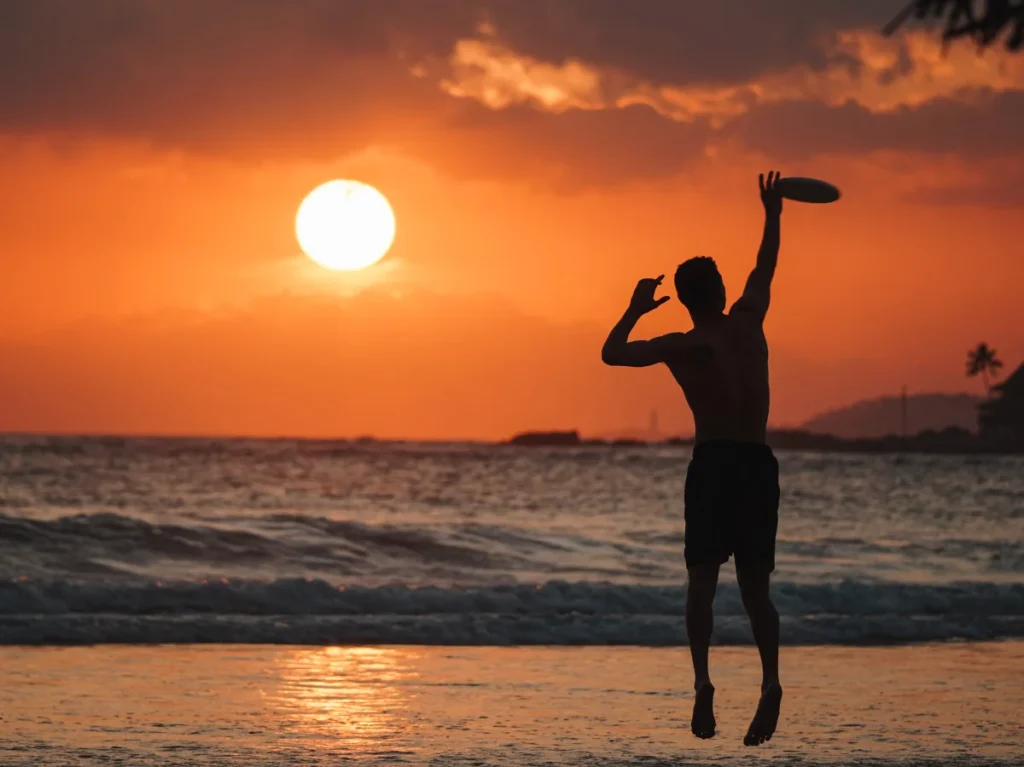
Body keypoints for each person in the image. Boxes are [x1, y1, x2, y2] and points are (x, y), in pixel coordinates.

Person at [601, 171, 784, 746]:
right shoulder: (749, 321)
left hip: (713, 467)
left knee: (702, 580)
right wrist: (773, 213)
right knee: (756, 590)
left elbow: (612, 353)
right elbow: (766, 266)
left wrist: (635, 308)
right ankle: (771, 683)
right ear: (722, 290)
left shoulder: (684, 345)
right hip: (757, 465)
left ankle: (703, 681)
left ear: (683, 298)